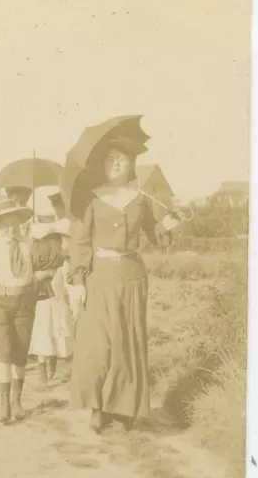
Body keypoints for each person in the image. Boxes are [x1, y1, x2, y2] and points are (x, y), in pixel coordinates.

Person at [68, 135, 188, 434]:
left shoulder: (141, 199)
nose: (115, 162)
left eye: (121, 158)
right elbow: (80, 243)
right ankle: (97, 407)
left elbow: (155, 234)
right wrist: (79, 280)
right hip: (99, 278)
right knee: (98, 345)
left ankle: (122, 408)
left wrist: (169, 224)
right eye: (110, 158)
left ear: (130, 164)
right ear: (102, 164)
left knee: (127, 343)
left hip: (133, 277)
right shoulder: (91, 198)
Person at [0, 197, 62, 423]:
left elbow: (51, 264)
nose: (10, 228)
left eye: (14, 222)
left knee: (20, 355)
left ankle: (17, 400)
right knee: (3, 354)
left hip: (25, 303)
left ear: (20, 223)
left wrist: (42, 274)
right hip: (0, 303)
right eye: (4, 224)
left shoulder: (31, 245)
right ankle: (3, 402)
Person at [29, 193, 74, 388]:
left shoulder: (68, 225)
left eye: (60, 205)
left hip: (61, 282)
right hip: (44, 286)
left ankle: (54, 361)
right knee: (42, 328)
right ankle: (41, 370)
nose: (58, 209)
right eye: (55, 205)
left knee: (59, 327)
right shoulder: (42, 231)